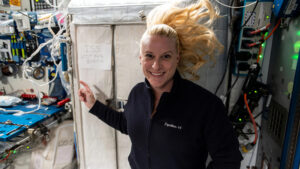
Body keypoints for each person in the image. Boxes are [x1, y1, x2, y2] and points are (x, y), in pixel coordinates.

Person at [78, 0, 243, 169]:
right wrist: (93, 105)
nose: (156, 66)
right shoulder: (137, 94)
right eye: (149, 55)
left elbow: (228, 161)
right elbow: (127, 124)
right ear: (140, 58)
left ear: (177, 58)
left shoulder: (205, 106)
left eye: (165, 56)